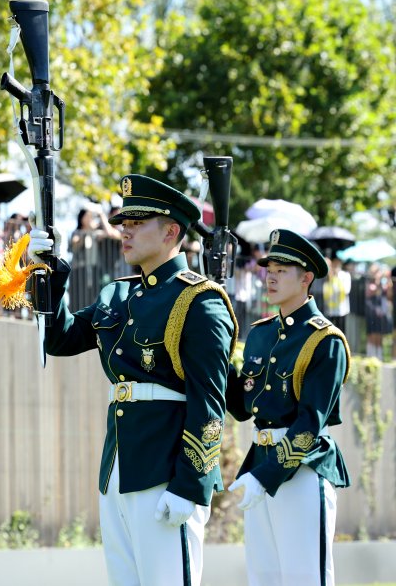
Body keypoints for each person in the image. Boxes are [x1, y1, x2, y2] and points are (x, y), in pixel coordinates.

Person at [28, 175, 237, 586]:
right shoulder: (117, 295)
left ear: (171, 231)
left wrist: (190, 483)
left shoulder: (200, 301)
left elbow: (210, 406)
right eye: (125, 220)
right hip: (119, 465)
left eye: (138, 221)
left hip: (166, 468)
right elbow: (60, 339)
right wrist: (49, 275)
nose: (125, 229)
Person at [226, 229, 350, 586]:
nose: (271, 276)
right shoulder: (261, 333)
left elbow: (310, 425)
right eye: (269, 268)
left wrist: (265, 476)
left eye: (282, 269)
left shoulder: (325, 340)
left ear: (307, 277)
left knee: (304, 577)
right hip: (260, 460)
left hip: (302, 470)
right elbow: (242, 408)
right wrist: (221, 362)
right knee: (263, 577)